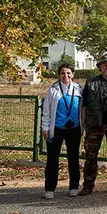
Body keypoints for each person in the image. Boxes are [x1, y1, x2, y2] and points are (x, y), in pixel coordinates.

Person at [79, 50, 107, 196]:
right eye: (104, 65)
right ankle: (88, 185)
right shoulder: (91, 83)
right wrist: (84, 121)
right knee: (91, 156)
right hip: (94, 124)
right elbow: (84, 104)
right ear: (100, 67)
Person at [42, 63, 83, 199]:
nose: (66, 76)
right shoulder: (53, 90)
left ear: (73, 74)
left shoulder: (79, 89)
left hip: (74, 128)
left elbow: (83, 109)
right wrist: (45, 127)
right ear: (59, 75)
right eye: (63, 73)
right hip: (57, 128)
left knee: (73, 158)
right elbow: (46, 110)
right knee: (52, 159)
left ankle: (74, 186)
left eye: (68, 73)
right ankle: (49, 188)